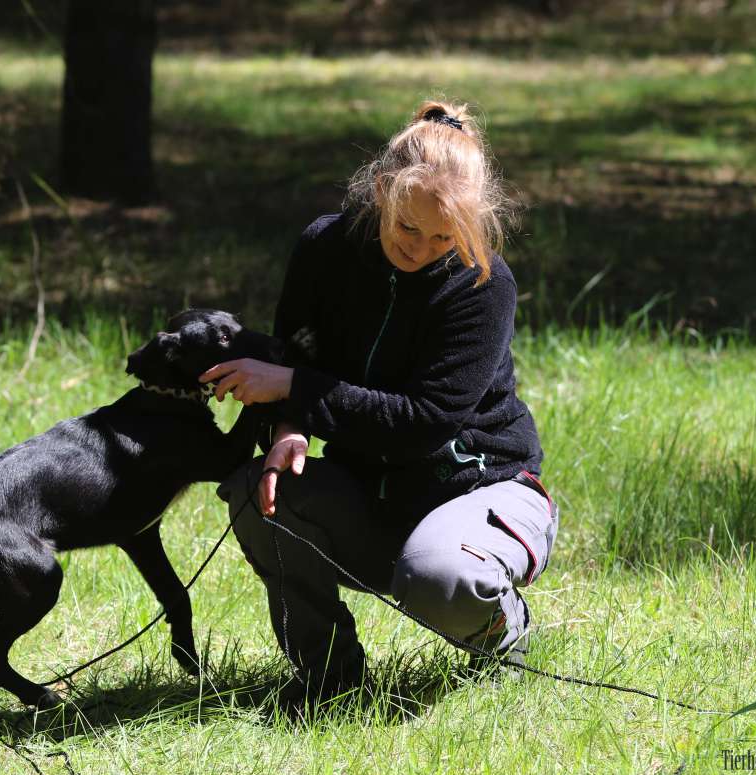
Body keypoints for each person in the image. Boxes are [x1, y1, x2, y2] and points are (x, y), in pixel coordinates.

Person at [199, 100, 558, 712]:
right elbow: (300, 349)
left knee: (441, 577)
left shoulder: (483, 283)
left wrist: (293, 389)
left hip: (480, 489)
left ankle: (504, 637)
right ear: (382, 190)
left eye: (444, 236)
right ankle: (329, 682)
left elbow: (424, 422)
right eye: (409, 229)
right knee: (259, 493)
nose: (423, 249)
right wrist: (289, 429)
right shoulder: (325, 248)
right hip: (372, 494)